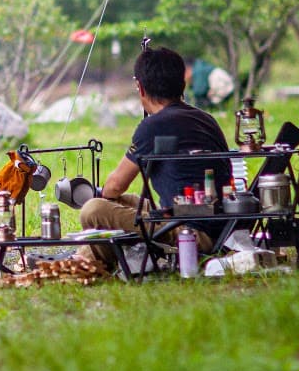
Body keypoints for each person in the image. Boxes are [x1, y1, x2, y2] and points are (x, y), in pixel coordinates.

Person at [77, 44, 227, 265]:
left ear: (141, 88)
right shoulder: (206, 118)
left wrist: (102, 196)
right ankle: (85, 259)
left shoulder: (153, 125)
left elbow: (115, 186)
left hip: (191, 234)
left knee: (94, 209)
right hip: (220, 223)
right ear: (183, 83)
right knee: (124, 203)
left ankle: (87, 261)